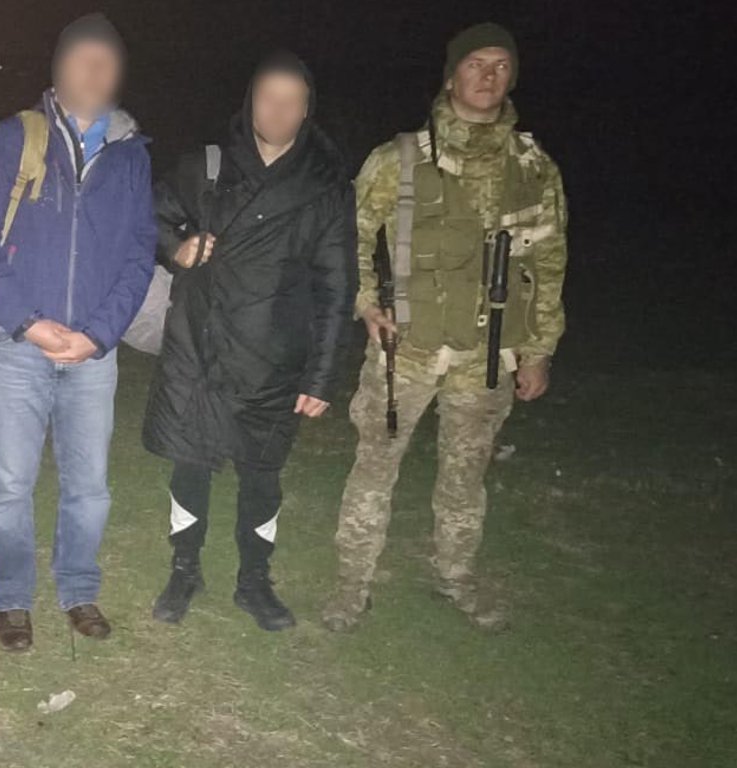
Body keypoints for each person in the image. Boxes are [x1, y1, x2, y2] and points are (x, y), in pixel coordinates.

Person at [321, 23, 569, 633]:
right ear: (452, 75)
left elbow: (548, 260)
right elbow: (349, 235)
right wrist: (366, 303)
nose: (488, 76)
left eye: (501, 66)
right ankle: (351, 589)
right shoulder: (400, 158)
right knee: (374, 469)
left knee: (466, 477)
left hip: (488, 356)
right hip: (405, 350)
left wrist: (539, 350)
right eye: (476, 64)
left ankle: (455, 579)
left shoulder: (533, 167)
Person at [0, 13, 157, 653]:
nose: (95, 71)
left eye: (107, 60)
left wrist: (99, 335)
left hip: (91, 355)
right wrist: (30, 322)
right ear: (58, 67)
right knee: (10, 486)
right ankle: (12, 598)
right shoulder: (14, 138)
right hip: (15, 347)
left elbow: (139, 254)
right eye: (82, 58)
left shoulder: (130, 153)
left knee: (90, 488)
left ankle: (78, 589)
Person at [143, 52, 357, 631]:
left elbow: (337, 286)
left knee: (262, 474)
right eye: (268, 97)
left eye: (293, 100)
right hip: (200, 347)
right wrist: (178, 246)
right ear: (250, 101)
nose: (279, 110)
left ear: (307, 109)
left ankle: (254, 580)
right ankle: (185, 569)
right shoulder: (208, 165)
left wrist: (320, 377)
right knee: (190, 463)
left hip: (274, 357)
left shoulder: (325, 185)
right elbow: (148, 216)